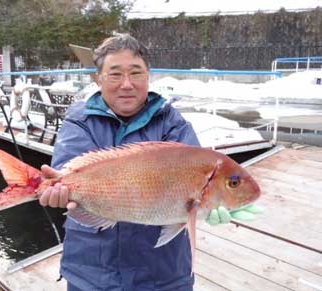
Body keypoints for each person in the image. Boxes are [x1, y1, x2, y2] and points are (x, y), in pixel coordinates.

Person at [39, 33, 260, 291]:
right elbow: (65, 171)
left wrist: (209, 208)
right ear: (98, 79)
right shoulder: (79, 121)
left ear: (148, 77)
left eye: (136, 73)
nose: (126, 84)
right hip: (91, 274)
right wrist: (57, 190)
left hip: (162, 277)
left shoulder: (173, 125)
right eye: (115, 74)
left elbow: (186, 197)